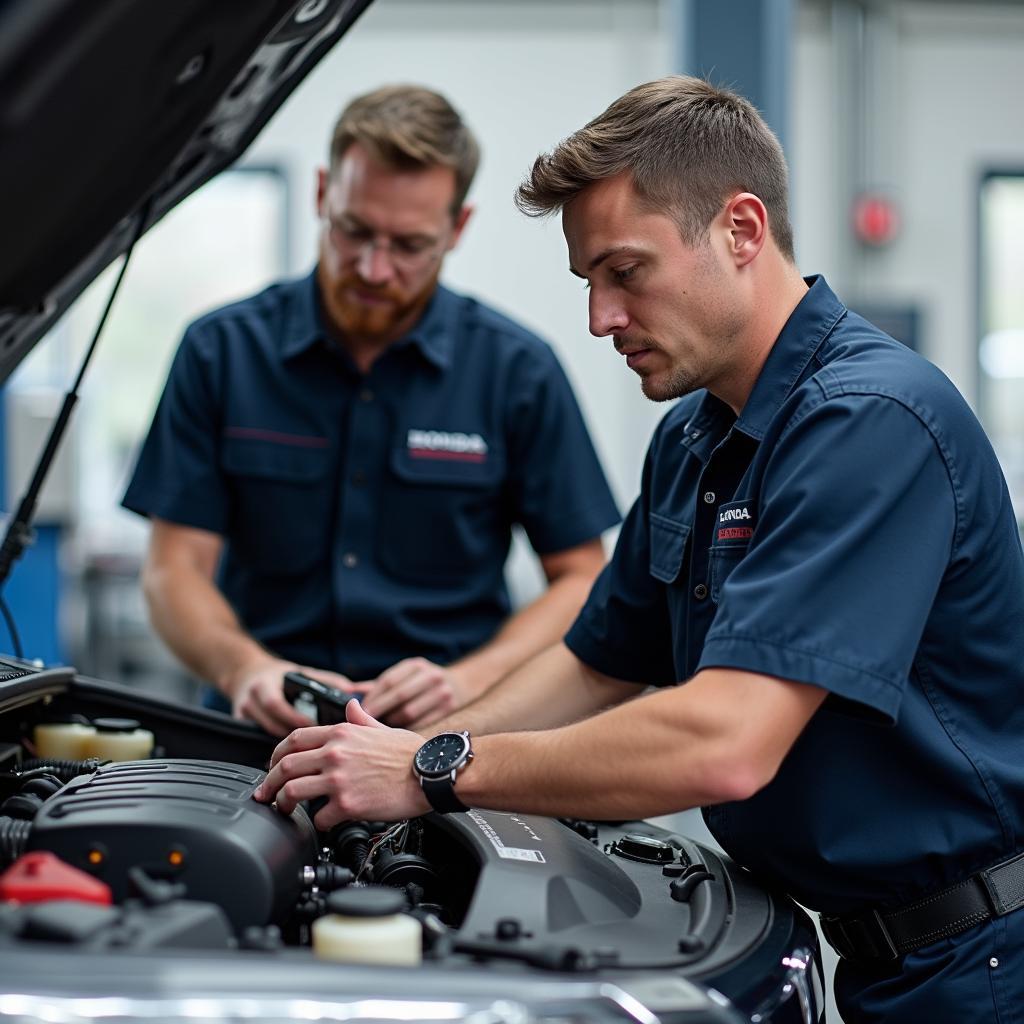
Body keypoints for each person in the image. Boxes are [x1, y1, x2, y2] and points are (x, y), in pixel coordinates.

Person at [254, 75, 1024, 1022]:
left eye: (626, 272)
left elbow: (726, 742)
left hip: (982, 962)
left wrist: (434, 771)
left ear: (741, 230)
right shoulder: (698, 437)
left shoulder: (870, 422)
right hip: (873, 955)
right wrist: (401, 749)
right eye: (589, 283)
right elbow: (595, 663)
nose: (600, 319)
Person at [122, 84, 619, 737]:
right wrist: (243, 667)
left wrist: (471, 680)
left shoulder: (517, 372)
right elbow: (172, 570)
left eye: (409, 245)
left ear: (457, 228)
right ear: (323, 192)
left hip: (444, 742)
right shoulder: (221, 352)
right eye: (354, 230)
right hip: (255, 735)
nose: (374, 268)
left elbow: (581, 577)